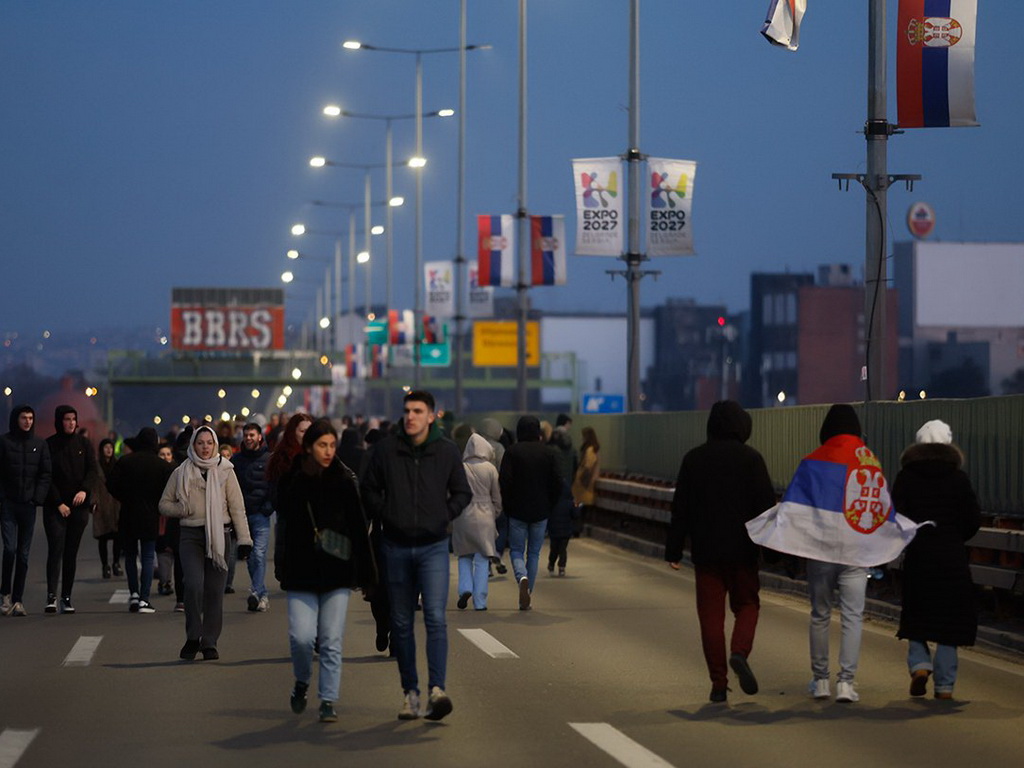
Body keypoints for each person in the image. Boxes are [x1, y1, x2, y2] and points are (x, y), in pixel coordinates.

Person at [746, 404, 925, 703]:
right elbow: (882, 508)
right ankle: (846, 683)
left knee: (820, 615)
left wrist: (787, 547)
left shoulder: (813, 462)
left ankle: (820, 681)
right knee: (853, 617)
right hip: (857, 552)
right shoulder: (870, 463)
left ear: (826, 430)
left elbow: (795, 510)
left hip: (821, 551)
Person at [361, 390, 471, 721]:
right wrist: (388, 513)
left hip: (433, 546)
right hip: (394, 545)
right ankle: (410, 693)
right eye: (407, 410)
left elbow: (463, 492)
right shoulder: (387, 451)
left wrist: (443, 515)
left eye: (418, 411)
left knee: (436, 617)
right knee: (402, 622)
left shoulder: (446, 451)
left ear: (430, 416)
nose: (411, 416)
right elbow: (368, 489)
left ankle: (437, 690)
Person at [665, 401, 777, 703]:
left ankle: (718, 683)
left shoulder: (693, 460)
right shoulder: (752, 460)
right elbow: (766, 509)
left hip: (706, 553)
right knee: (747, 606)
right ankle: (739, 652)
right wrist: (775, 554)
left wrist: (673, 550)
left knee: (711, 618)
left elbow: (681, 510)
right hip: (743, 551)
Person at [275, 420, 376, 723]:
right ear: (308, 448)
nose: (328, 451)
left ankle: (328, 699)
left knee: (331, 639)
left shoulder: (344, 481)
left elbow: (359, 529)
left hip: (337, 572)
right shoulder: (293, 481)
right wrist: (282, 567)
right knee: (302, 638)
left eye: (333, 445)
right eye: (322, 445)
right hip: (301, 573)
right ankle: (302, 681)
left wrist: (368, 576)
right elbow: (284, 530)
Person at [892, 420, 980, 701]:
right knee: (949, 622)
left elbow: (896, 517)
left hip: (919, 557)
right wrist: (955, 538)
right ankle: (945, 686)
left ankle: (919, 666)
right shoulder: (959, 478)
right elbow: (972, 519)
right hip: (951, 558)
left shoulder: (906, 477)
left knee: (917, 615)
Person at [159, 425, 253, 660]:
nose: (204, 447)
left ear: (215, 444)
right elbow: (163, 504)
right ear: (193, 445)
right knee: (193, 585)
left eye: (209, 443)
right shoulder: (182, 472)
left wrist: (244, 539)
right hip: (190, 536)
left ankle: (209, 642)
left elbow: (237, 508)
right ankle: (193, 636)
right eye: (200, 443)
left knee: (214, 592)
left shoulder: (226, 470)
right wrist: (181, 508)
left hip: (220, 536)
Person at [106, 427, 175, 614]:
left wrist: (124, 497)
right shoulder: (162, 466)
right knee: (147, 557)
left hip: (128, 513)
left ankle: (134, 594)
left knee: (129, 555)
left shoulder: (125, 462)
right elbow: (169, 490)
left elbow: (110, 484)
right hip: (150, 515)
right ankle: (145, 598)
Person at [499, 415, 563, 611]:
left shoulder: (512, 452)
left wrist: (507, 506)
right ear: (538, 432)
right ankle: (527, 595)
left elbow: (505, 482)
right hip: (541, 511)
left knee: (517, 550)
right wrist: (550, 505)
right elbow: (558, 482)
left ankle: (521, 577)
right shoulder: (549, 453)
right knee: (533, 553)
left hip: (517, 510)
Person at [43, 405, 99, 614]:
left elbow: (93, 470)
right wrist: (58, 502)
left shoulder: (83, 444)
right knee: (55, 550)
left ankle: (66, 596)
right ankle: (51, 596)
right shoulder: (49, 445)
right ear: (59, 421)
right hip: (55, 507)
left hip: (78, 507)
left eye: (73, 419)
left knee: (70, 553)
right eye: (66, 419)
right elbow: (46, 475)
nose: (71, 423)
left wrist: (84, 491)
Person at [0, 406, 52, 616]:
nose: (28, 421)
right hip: (8, 504)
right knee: (10, 549)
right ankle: (5, 594)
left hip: (28, 505)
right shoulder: (4, 442)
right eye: (24, 418)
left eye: (31, 418)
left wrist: (37, 498)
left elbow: (45, 473)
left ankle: (18, 600)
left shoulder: (39, 444)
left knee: (23, 554)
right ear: (16, 419)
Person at [454, 434, 501, 611]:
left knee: (464, 555)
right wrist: (495, 513)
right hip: (485, 514)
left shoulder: (460, 467)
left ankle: (465, 588)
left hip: (463, 514)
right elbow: (496, 496)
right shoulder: (490, 469)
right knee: (482, 559)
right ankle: (480, 601)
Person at [233, 422, 274, 613]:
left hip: (261, 515)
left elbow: (275, 486)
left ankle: (256, 592)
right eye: (246, 435)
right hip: (242, 516)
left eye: (252, 435)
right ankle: (261, 594)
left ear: (260, 437)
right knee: (250, 558)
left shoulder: (269, 460)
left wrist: (268, 507)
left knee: (259, 554)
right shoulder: (236, 461)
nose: (248, 438)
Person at [93, 437, 122, 579]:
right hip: (101, 504)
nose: (109, 450)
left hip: (116, 504)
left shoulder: (118, 465)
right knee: (102, 537)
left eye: (110, 447)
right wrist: (92, 502)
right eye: (106, 447)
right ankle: (105, 565)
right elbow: (92, 484)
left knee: (118, 536)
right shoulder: (96, 466)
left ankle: (116, 563)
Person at [571, 426, 601, 536]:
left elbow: (588, 466)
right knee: (581, 507)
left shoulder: (589, 450)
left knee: (579, 507)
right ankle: (577, 529)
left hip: (583, 484)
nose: (582, 438)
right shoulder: (593, 449)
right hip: (584, 484)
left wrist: (583, 479)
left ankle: (576, 530)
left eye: (583, 436)